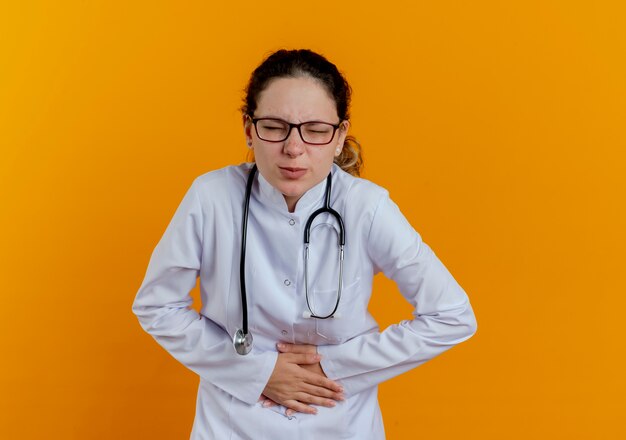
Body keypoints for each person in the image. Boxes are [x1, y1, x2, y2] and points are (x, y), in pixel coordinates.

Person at [132, 49, 477, 440]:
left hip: (342, 424)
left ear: (339, 136)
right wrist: (256, 372)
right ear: (249, 128)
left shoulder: (366, 206)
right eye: (276, 127)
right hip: (232, 425)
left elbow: (451, 316)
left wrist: (332, 367)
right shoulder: (211, 198)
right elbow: (157, 305)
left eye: (314, 130)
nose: (293, 149)